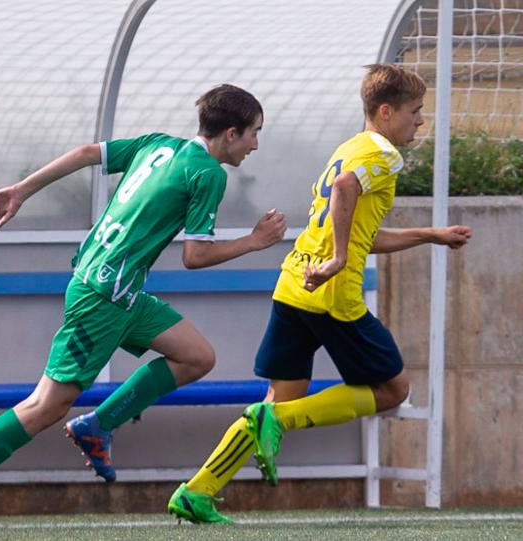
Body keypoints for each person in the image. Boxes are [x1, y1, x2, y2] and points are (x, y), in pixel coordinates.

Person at [0, 84, 287, 532]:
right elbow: (196, 257)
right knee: (47, 405)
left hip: (119, 292)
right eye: (253, 133)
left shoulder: (158, 145)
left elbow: (86, 151)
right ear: (230, 134)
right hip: (102, 298)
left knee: (196, 357)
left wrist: (23, 188)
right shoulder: (208, 174)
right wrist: (255, 241)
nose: (255, 144)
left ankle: (97, 425)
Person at [166, 64, 472, 524]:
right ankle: (279, 425)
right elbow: (347, 194)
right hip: (332, 292)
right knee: (392, 389)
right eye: (415, 111)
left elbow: (355, 222)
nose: (420, 121)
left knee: (279, 399)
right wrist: (340, 259)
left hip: (294, 284)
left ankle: (198, 491)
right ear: (386, 112)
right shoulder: (384, 154)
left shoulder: (347, 148)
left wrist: (431, 235)